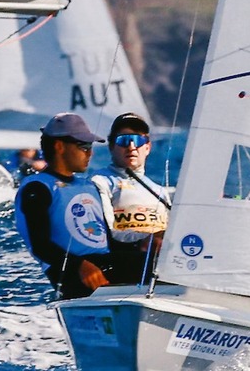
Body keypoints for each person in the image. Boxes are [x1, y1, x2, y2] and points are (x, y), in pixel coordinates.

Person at [14, 113, 119, 300]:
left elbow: (108, 241)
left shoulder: (90, 186)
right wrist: (79, 266)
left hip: (105, 264)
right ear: (60, 146)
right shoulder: (38, 188)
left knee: (158, 261)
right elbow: (40, 246)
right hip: (72, 272)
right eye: (84, 147)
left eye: (90, 147)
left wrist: (145, 243)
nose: (90, 153)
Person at [103, 113, 169, 287]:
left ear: (147, 147)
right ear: (111, 146)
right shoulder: (100, 182)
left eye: (138, 140)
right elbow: (104, 235)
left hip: (160, 268)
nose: (131, 147)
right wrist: (145, 240)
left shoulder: (160, 191)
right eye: (124, 140)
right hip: (122, 266)